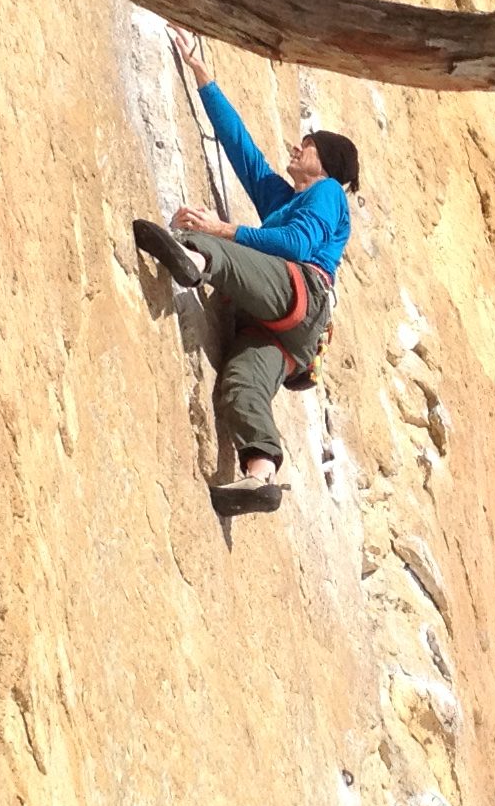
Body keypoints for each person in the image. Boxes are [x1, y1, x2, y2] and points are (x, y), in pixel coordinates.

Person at [134, 28, 360, 509]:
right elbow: (244, 154)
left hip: (301, 295)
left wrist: (221, 230)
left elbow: (297, 244)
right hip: (284, 336)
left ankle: (191, 257)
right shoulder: (285, 199)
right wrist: (202, 74)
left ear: (327, 162)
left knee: (231, 251)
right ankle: (262, 476)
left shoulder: (329, 193)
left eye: (306, 145)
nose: (296, 150)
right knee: (241, 384)